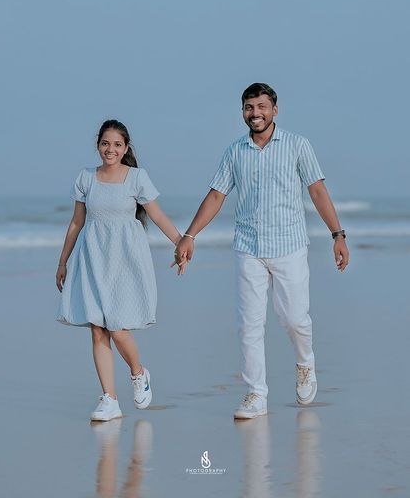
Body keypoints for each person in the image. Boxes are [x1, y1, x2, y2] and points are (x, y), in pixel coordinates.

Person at [175, 83, 349, 419]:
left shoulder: (298, 145)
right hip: (248, 247)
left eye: (261, 106)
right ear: (242, 111)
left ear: (275, 110)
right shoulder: (235, 151)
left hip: (289, 246)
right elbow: (216, 196)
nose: (255, 113)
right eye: (249, 107)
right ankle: (256, 394)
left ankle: (305, 364)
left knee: (294, 318)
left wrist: (337, 235)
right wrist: (189, 235)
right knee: (249, 324)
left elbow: (317, 191)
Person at [56, 119, 185, 421]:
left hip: (125, 261)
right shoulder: (86, 178)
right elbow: (76, 222)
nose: (110, 149)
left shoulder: (137, 178)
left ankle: (138, 373)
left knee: (117, 327)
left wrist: (180, 241)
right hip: (92, 259)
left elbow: (157, 215)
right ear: (98, 145)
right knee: (97, 327)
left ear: (125, 148)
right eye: (105, 143)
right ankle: (109, 399)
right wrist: (63, 261)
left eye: (116, 144)